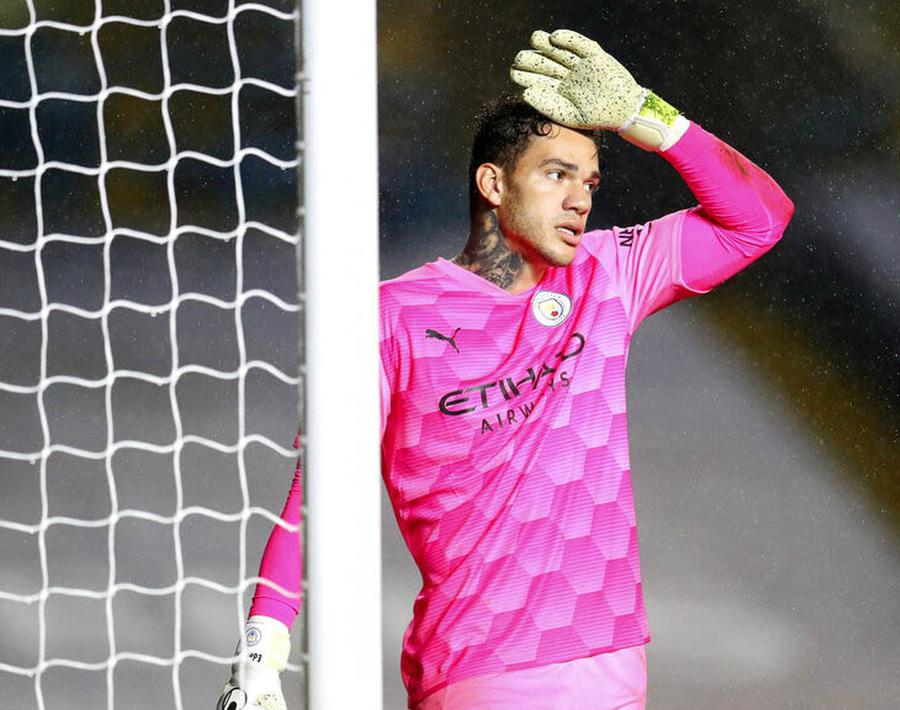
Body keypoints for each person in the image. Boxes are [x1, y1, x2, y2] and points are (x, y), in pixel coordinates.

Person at [218, 28, 793, 710]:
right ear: (493, 183)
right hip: (482, 669)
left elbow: (758, 220)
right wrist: (262, 650)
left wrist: (644, 113)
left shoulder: (607, 273)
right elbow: (316, 491)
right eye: (556, 174)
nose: (581, 197)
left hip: (612, 667)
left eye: (590, 181)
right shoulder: (393, 317)